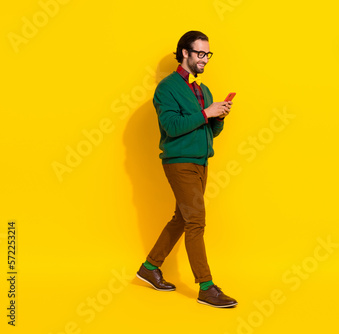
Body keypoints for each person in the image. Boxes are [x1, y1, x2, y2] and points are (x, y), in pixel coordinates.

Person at [136, 31, 237, 308]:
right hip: (180, 163)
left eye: (208, 54)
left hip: (201, 161)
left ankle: (149, 267)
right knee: (196, 222)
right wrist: (206, 113)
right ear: (185, 54)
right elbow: (172, 127)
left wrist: (219, 116)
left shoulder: (202, 90)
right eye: (200, 53)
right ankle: (206, 286)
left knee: (182, 218)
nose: (205, 59)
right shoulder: (167, 88)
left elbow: (208, 131)